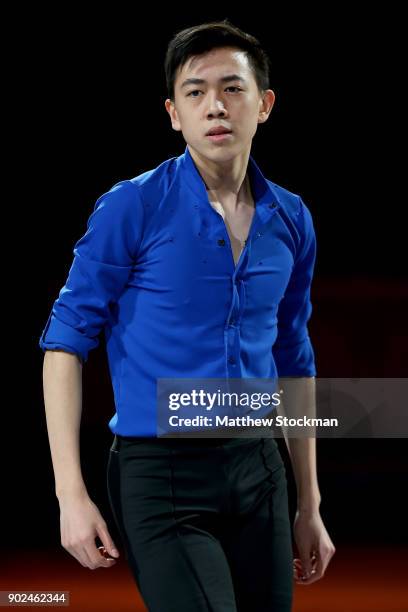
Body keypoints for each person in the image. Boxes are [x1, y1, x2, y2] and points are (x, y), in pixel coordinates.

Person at [39, 19, 335, 612]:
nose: (215, 106)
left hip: (260, 472)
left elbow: (293, 359)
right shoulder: (133, 205)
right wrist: (70, 494)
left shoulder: (293, 219)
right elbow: (65, 344)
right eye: (195, 92)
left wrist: (310, 504)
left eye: (232, 88)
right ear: (173, 113)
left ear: (265, 104)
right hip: (161, 475)